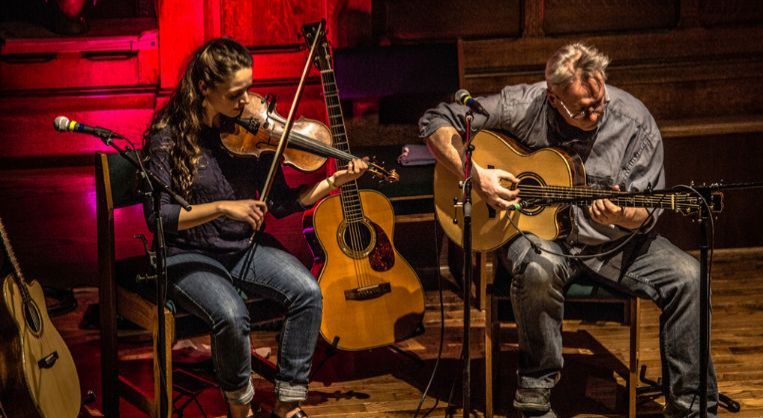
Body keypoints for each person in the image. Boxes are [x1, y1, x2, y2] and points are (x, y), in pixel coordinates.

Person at [419, 42, 717, 417]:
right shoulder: (524, 105)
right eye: (583, 109)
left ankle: (692, 407)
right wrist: (477, 177)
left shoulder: (635, 124)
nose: (595, 114)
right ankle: (535, 393)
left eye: (600, 102)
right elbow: (436, 122)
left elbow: (646, 212)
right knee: (539, 268)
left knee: (691, 277)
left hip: (611, 243)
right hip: (541, 236)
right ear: (554, 99)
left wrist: (623, 217)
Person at [142, 37, 368, 418]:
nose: (247, 102)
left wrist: (332, 183)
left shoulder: (251, 130)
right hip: (187, 254)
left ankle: (288, 404)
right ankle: (241, 407)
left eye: (249, 89)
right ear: (203, 88)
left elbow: (279, 203)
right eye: (236, 93)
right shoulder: (169, 135)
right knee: (231, 314)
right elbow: (158, 217)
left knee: (308, 292)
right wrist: (222, 207)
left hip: (241, 247)